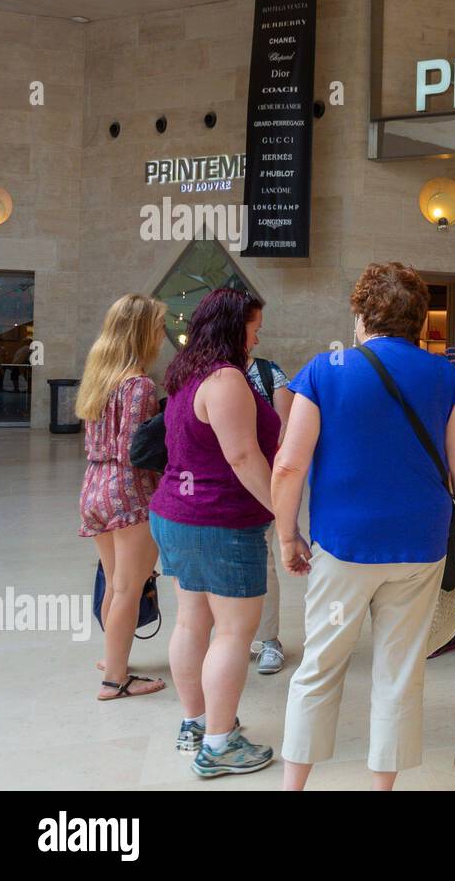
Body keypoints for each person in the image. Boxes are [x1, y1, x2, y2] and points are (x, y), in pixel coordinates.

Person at [274, 263, 455, 790]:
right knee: (399, 673)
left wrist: (287, 535)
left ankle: (293, 787)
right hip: (419, 544)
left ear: (364, 313)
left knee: (320, 667)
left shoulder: (325, 369)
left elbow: (289, 465)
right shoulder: (444, 374)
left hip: (344, 544)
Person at [149, 288, 279, 777]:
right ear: (232, 327)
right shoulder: (226, 380)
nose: (258, 335)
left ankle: (197, 722)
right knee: (232, 631)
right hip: (220, 518)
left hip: (175, 513)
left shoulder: (187, 373)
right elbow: (243, 458)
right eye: (253, 327)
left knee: (192, 621)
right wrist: (285, 517)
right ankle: (220, 745)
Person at [76, 293, 168, 701]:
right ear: (143, 331)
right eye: (160, 327)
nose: (164, 335)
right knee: (130, 586)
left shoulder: (99, 378)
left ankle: (113, 659)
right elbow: (139, 450)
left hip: (94, 485)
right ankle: (115, 679)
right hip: (129, 491)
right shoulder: (139, 385)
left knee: (115, 583)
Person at [245, 348, 294, 676]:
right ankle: (229, 636)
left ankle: (268, 640)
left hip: (260, 476)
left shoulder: (269, 373)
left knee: (263, 560)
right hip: (216, 484)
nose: (257, 336)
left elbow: (286, 429)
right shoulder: (205, 370)